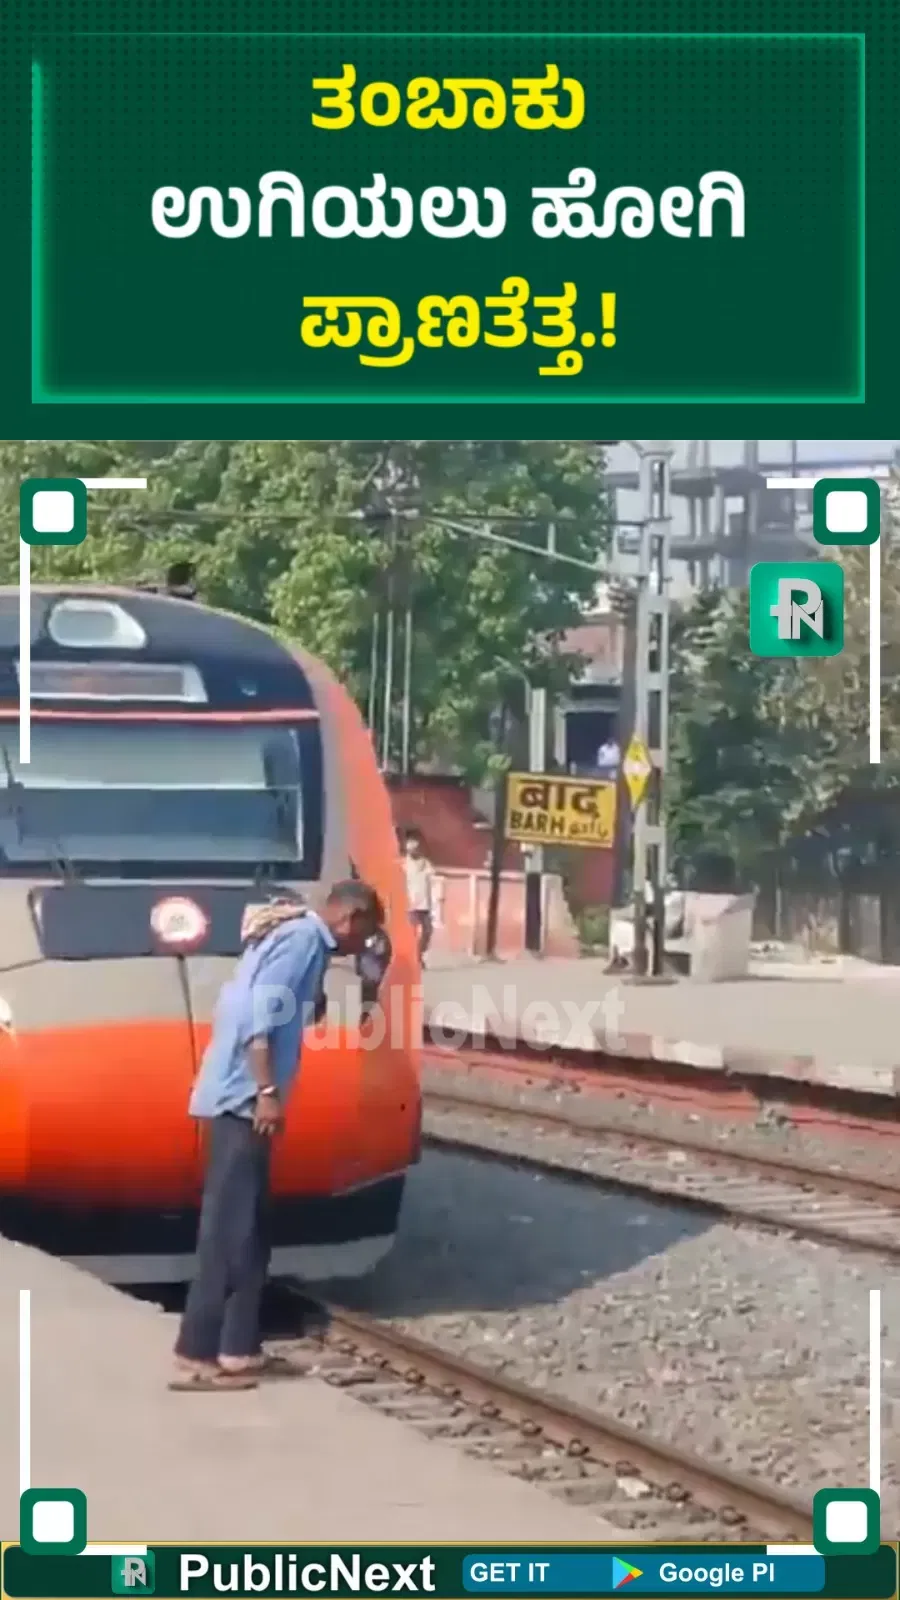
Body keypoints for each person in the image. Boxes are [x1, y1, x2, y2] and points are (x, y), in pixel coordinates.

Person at [170, 879, 383, 1392]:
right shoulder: (302, 941)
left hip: (244, 1098)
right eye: (367, 933)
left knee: (250, 1228)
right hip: (242, 1100)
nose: (364, 944)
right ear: (350, 918)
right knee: (228, 1229)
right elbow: (255, 1020)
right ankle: (197, 1354)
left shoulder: (299, 940)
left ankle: (238, 1348)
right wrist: (266, 1090)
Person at [401, 828, 436, 964]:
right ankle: (413, 958)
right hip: (411, 904)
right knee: (412, 933)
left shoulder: (425, 862)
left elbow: (433, 876)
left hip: (425, 904)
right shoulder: (404, 864)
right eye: (410, 842)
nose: (413, 845)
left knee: (428, 931)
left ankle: (418, 954)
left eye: (415, 842)